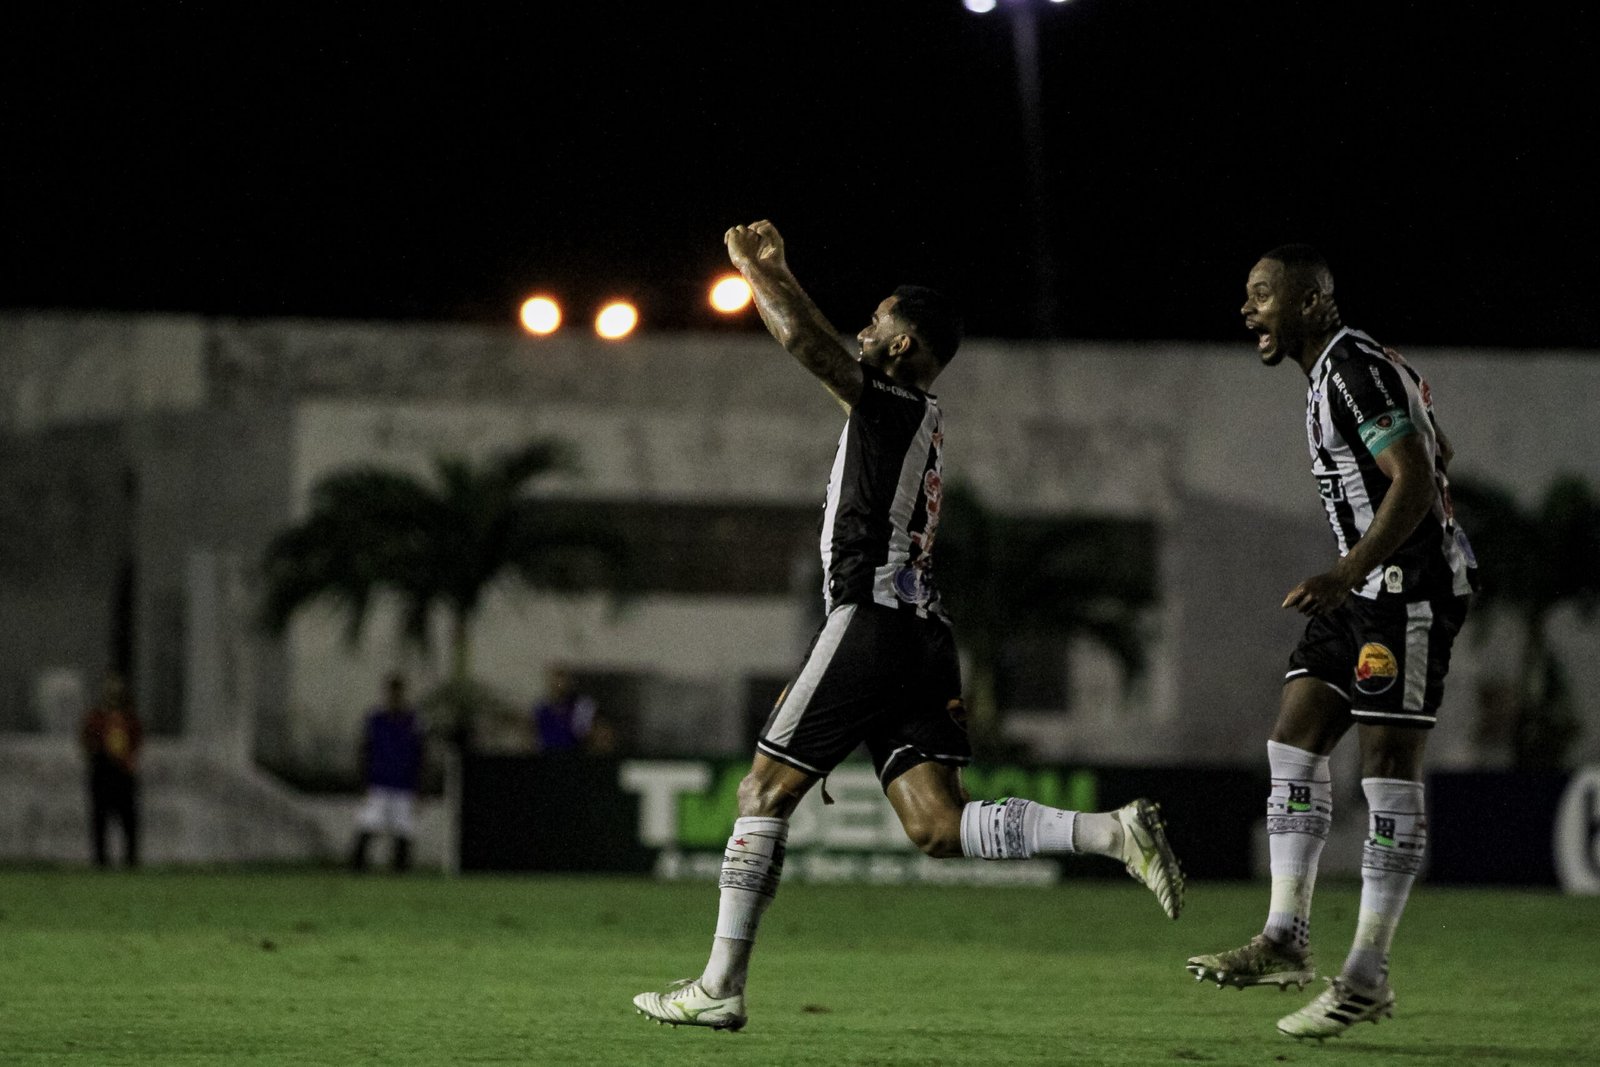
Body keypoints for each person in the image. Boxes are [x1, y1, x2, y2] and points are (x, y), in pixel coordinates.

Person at [633, 221, 1185, 1032]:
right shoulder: (901, 414)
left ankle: (720, 983)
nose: (862, 331)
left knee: (761, 789)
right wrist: (783, 271)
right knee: (937, 826)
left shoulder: (892, 406)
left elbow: (807, 345)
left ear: (904, 342)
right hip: (915, 633)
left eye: (875, 321)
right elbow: (828, 356)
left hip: (873, 620)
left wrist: (756, 269)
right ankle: (1111, 832)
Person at [1186, 245, 1477, 1039]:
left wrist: (1347, 570)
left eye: (1262, 295)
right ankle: (1284, 937)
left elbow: (1417, 476)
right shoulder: (1346, 368)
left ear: (1312, 302)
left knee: (1386, 773)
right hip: (1364, 591)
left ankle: (1366, 977)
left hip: (1405, 593)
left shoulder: (1350, 370)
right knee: (1294, 740)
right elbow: (1439, 449)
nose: (1248, 309)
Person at [350, 673, 426, 873]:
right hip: (379, 783)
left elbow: (420, 755)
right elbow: (365, 751)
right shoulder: (376, 720)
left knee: (403, 830)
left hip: (404, 785)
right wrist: (363, 781)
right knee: (368, 825)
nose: (394, 697)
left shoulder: (413, 722)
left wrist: (419, 787)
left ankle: (400, 871)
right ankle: (357, 868)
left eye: (397, 693)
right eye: (391, 693)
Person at [80, 670, 142, 868]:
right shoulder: (96, 716)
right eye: (110, 685)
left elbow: (137, 740)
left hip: (123, 772)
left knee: (129, 819)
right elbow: (86, 739)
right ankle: (100, 862)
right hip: (102, 771)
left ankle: (131, 861)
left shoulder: (129, 717)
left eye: (117, 685)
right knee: (100, 818)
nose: (113, 690)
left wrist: (129, 760)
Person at [530, 666, 597, 754]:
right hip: (546, 753)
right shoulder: (541, 707)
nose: (559, 686)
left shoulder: (581, 705)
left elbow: (585, 733)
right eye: (556, 683)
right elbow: (534, 731)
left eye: (562, 682)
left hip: (572, 752)